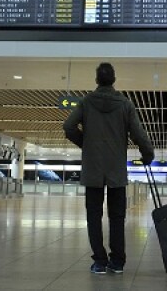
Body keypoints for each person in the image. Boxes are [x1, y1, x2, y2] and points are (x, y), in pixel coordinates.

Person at [63, 62, 155, 275]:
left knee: (93, 216)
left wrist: (85, 144)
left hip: (93, 169)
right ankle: (117, 262)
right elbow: (138, 133)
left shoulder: (86, 102)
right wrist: (147, 154)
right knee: (117, 217)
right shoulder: (125, 104)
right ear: (114, 79)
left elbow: (68, 126)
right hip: (116, 170)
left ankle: (99, 261)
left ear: (97, 80)